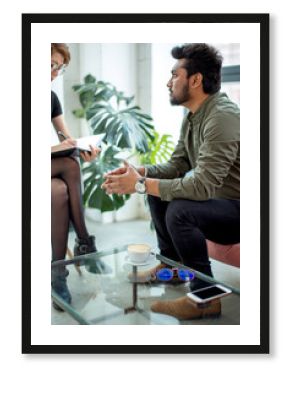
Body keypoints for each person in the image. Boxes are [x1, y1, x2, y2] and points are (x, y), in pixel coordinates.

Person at [102, 43, 240, 320]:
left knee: (179, 209)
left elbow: (201, 186)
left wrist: (139, 185)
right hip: (221, 203)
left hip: (243, 209)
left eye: (175, 75)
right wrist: (140, 174)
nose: (168, 82)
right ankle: (175, 268)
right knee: (157, 189)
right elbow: (178, 165)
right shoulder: (193, 116)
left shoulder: (222, 116)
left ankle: (205, 297)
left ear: (196, 79)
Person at [51, 43, 99, 309]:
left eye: (60, 67)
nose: (56, 72)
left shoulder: (50, 98)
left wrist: (83, 149)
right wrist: (62, 148)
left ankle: (58, 275)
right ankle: (84, 239)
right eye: (51, 65)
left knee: (58, 190)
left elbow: (68, 139)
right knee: (69, 165)